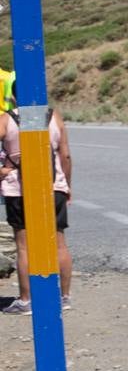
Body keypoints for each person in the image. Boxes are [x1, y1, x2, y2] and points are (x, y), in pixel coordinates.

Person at [1, 106, 73, 315]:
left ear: (14, 95)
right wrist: (66, 185)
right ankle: (64, 297)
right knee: (59, 243)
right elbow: (65, 155)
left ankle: (26, 301)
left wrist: (3, 170)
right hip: (54, 187)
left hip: (19, 189)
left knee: (24, 246)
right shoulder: (53, 116)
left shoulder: (7, 119)